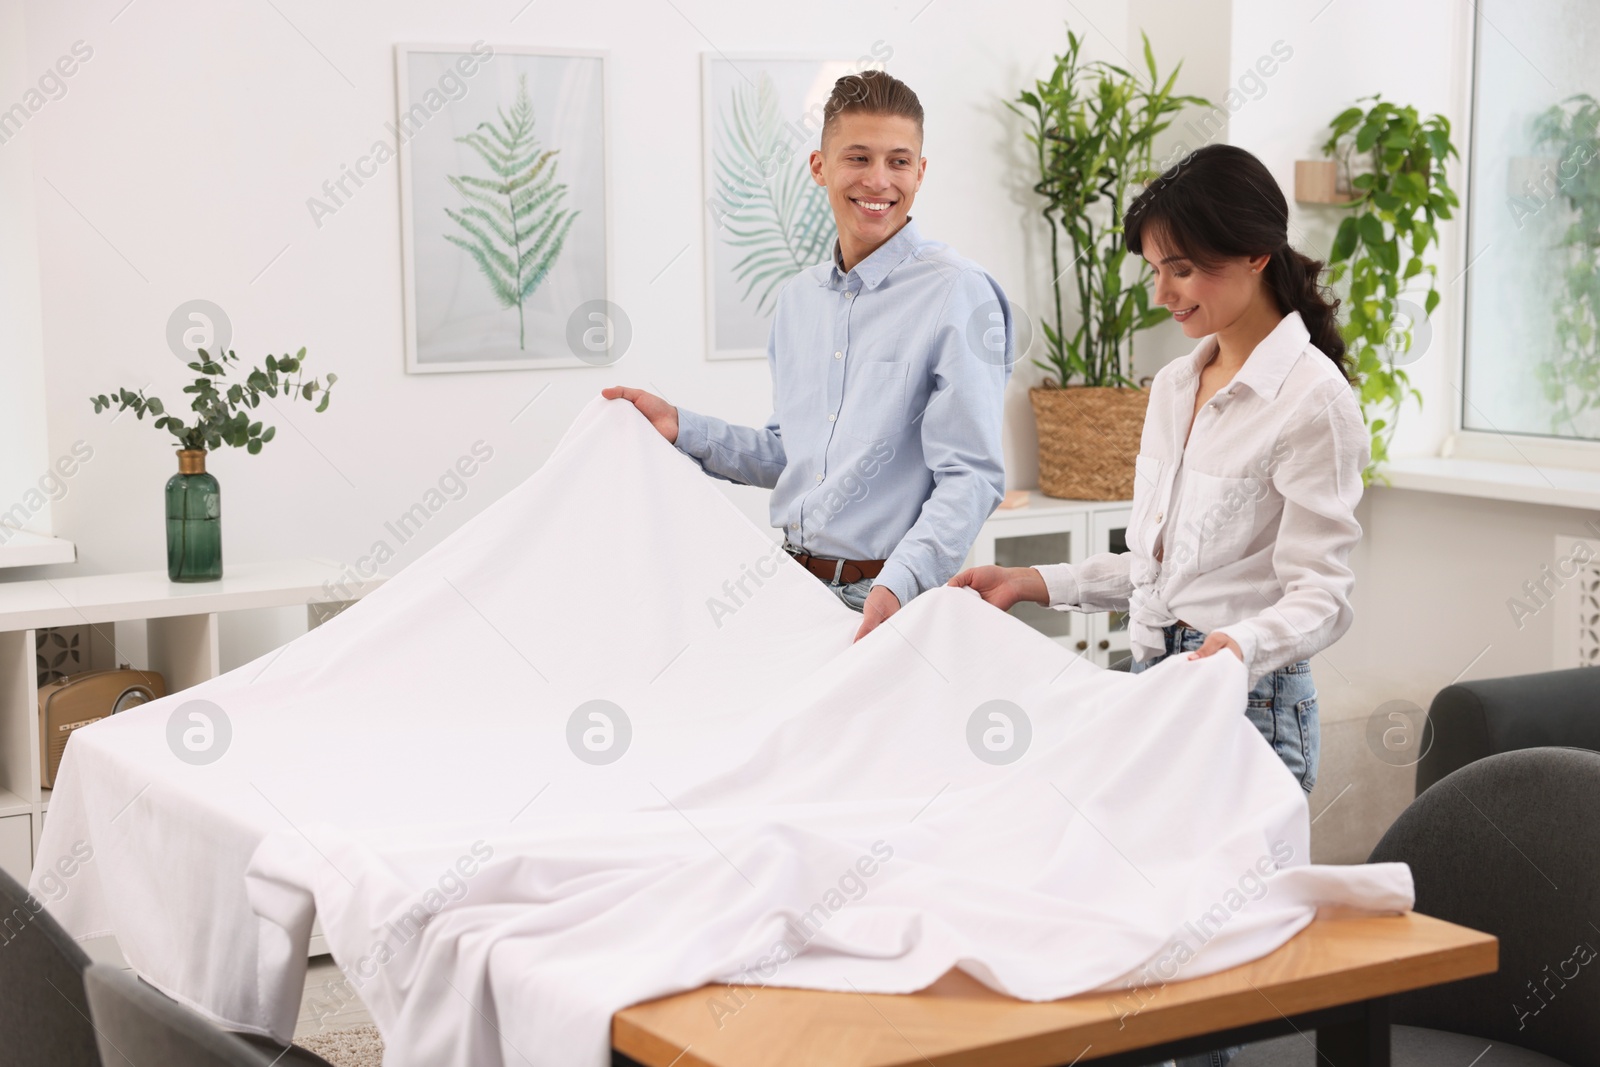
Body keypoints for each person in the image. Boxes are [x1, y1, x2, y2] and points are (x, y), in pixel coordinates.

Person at [951, 142, 1367, 801]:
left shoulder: (1313, 402)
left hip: (1249, 705)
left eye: (1180, 269)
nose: (1162, 293)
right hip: (1152, 680)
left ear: (1256, 253)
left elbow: (1323, 596)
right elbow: (1158, 574)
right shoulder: (1176, 386)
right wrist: (1033, 580)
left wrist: (1237, 646)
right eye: (1154, 269)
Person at [605, 70, 1014, 641]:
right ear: (820, 166)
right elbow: (790, 454)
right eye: (858, 158)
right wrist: (680, 427)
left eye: (899, 161)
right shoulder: (798, 300)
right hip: (789, 588)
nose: (879, 180)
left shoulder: (958, 292)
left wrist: (898, 586)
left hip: (887, 598)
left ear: (920, 173)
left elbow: (970, 476)